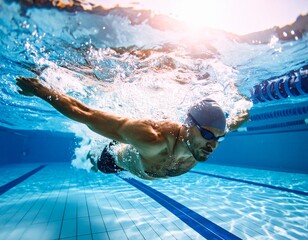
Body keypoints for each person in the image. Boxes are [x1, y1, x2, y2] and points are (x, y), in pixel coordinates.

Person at [16, 76, 249, 180]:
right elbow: (86, 114)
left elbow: (228, 124)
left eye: (220, 138)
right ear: (188, 126)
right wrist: (40, 91)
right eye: (208, 134)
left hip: (144, 169)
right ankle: (89, 154)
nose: (213, 144)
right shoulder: (153, 137)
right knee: (95, 165)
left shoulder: (203, 143)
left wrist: (240, 116)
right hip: (113, 159)